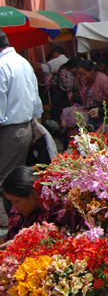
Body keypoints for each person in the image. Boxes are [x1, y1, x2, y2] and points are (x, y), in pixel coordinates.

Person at [0, 31, 43, 211]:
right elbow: (36, 100)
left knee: (8, 180)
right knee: (14, 179)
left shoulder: (3, 64)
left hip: (11, 130)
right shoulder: (22, 61)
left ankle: (15, 224)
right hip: (23, 127)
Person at [2, 166, 85, 240]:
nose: (14, 206)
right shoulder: (17, 215)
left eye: (17, 201)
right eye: (11, 201)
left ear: (34, 193)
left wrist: (19, 243)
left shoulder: (57, 211)